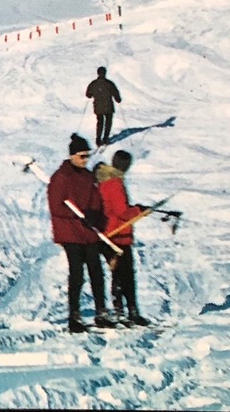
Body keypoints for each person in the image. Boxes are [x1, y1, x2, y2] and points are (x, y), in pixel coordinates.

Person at [48, 134, 115, 332]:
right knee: (77, 273)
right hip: (70, 233)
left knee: (96, 271)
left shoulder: (87, 177)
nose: (85, 160)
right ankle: (74, 315)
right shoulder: (61, 177)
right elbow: (56, 206)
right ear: (72, 156)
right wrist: (78, 216)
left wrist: (95, 217)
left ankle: (101, 311)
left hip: (89, 232)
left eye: (87, 156)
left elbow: (96, 201)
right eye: (82, 156)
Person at [96, 150, 152, 327]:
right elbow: (122, 212)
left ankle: (122, 310)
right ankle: (129, 312)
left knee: (119, 275)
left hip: (111, 233)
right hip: (117, 235)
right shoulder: (115, 183)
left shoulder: (105, 181)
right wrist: (138, 211)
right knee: (125, 275)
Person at [86, 67, 122, 146]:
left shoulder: (93, 84)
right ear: (105, 73)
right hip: (108, 106)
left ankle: (98, 139)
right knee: (108, 122)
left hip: (98, 107)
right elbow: (115, 93)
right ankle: (105, 138)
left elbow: (88, 95)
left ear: (98, 73)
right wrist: (118, 99)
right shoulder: (109, 83)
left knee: (100, 122)